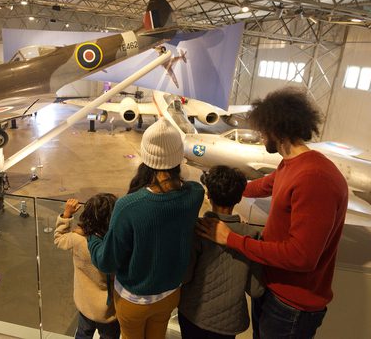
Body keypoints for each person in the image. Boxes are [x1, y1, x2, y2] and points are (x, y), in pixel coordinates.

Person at [197, 88, 348, 339]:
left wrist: (231, 239)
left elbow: (302, 257)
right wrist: (223, 189)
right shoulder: (290, 164)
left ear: (276, 131)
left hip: (291, 306)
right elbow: (262, 186)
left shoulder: (314, 178)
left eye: (262, 130)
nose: (260, 136)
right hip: (272, 290)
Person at [88, 117, 205, 339]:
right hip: (170, 294)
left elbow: (106, 261)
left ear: (146, 157)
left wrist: (92, 238)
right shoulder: (195, 194)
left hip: (135, 300)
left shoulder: (129, 205)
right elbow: (188, 182)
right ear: (179, 158)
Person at [178, 165, 265, 339]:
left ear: (208, 195)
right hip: (229, 323)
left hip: (193, 314)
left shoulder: (197, 229)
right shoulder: (252, 237)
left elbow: (184, 277)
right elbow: (256, 290)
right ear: (240, 198)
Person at [54, 195, 120, 339]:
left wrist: (67, 215)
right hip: (109, 310)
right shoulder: (115, 244)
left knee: (83, 334)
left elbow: (59, 238)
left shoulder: (77, 239)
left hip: (85, 303)